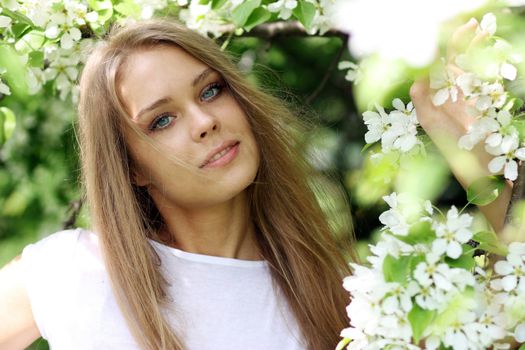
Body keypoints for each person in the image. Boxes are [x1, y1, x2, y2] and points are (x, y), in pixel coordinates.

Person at [0, 19, 355, 350]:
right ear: (130, 168)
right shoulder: (72, 272)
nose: (205, 122)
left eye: (211, 91)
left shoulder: (341, 302)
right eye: (162, 120)